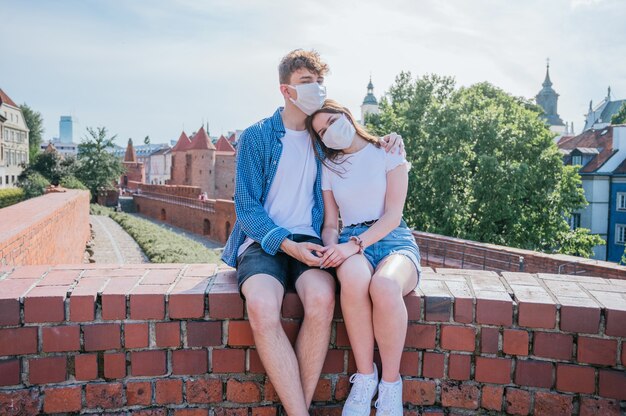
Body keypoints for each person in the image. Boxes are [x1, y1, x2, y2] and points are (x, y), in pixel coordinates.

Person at [221, 49, 403, 416]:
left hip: (311, 240)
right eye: (307, 82)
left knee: (321, 301)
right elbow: (247, 207)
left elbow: (360, 154)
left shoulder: (325, 141)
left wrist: (389, 139)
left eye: (320, 82)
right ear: (286, 91)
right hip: (265, 238)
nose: (316, 89)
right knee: (261, 306)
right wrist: (285, 245)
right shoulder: (257, 136)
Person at [307, 100, 422, 416]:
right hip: (350, 241)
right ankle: (365, 378)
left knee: (384, 286)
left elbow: (393, 216)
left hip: (392, 239)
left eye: (331, 121)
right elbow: (331, 224)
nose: (329, 132)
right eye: (321, 132)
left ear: (346, 115)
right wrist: (332, 246)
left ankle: (389, 385)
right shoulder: (329, 168)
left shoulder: (388, 151)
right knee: (355, 279)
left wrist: (353, 246)